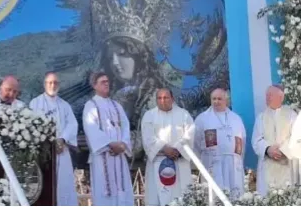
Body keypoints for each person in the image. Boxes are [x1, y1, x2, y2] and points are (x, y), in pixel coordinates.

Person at [83, 72, 134, 206]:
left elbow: (125, 125)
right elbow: (91, 129)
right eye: (102, 82)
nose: (106, 84)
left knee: (122, 190)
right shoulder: (91, 106)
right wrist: (110, 144)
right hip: (103, 157)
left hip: (119, 156)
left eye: (107, 81)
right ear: (94, 85)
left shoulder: (116, 105)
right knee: (105, 193)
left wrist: (123, 144)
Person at [29, 72, 78, 206]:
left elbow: (72, 124)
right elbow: (33, 126)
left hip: (62, 151)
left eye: (55, 82)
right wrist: (48, 143)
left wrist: (62, 139)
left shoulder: (65, 105)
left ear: (59, 85)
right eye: (50, 82)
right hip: (43, 153)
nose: (53, 85)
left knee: (64, 186)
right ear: (45, 85)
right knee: (45, 185)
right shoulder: (35, 103)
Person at [141, 88, 195, 206]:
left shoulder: (184, 115)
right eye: (159, 98)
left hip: (178, 162)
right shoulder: (149, 115)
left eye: (166, 97)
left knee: (180, 197)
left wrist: (177, 149)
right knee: (157, 199)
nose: (162, 101)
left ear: (172, 99)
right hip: (157, 162)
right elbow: (148, 137)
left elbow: (189, 135)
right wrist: (165, 148)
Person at [194, 88, 246, 198]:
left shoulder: (236, 119)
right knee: (214, 196)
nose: (216, 101)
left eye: (219, 99)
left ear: (226, 100)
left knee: (235, 196)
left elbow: (242, 142)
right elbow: (196, 142)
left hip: (233, 164)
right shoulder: (202, 119)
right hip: (213, 163)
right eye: (214, 99)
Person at [252, 85, 297, 196]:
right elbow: (256, 140)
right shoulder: (261, 117)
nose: (267, 98)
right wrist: (268, 149)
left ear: (281, 97)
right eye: (266, 95)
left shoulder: (291, 115)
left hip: (286, 163)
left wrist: (283, 150)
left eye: (270, 95)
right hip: (267, 164)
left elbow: (296, 137)